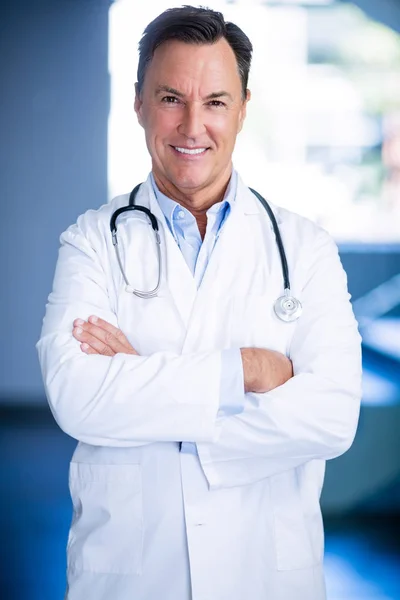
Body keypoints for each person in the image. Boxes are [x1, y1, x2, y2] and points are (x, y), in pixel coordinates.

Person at [37, 6, 362, 600]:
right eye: (170, 98)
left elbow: (334, 417)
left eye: (215, 101)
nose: (192, 125)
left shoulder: (305, 248)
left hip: (267, 576)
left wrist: (143, 389)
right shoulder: (91, 240)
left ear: (241, 109)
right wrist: (248, 370)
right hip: (132, 580)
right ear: (138, 103)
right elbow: (78, 398)